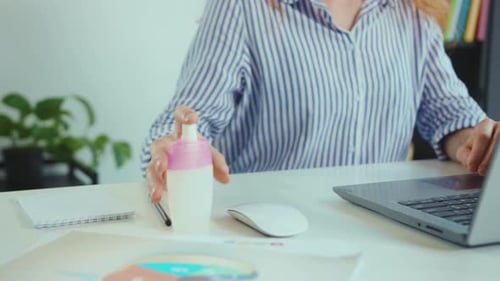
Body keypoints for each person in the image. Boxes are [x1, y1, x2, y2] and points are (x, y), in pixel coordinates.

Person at [142, 0, 499, 203]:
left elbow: (451, 116)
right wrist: (172, 146)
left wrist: (477, 141)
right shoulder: (244, 8)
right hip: (270, 235)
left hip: (380, 235)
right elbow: (191, 116)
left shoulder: (413, 15)